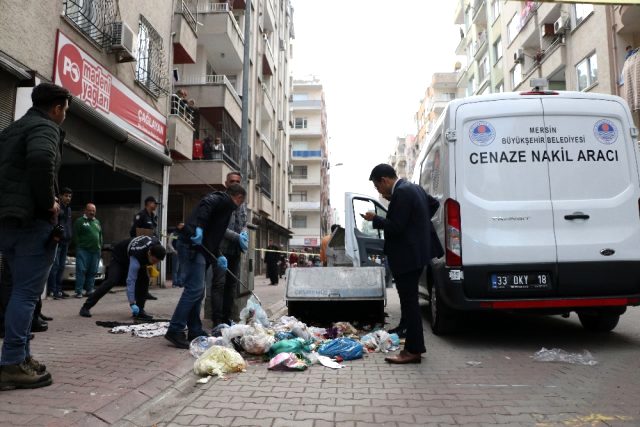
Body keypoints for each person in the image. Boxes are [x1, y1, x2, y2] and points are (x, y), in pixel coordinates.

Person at [0, 82, 71, 389]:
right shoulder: (46, 128)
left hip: (8, 223)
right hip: (31, 223)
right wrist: (49, 203)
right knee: (27, 295)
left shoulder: (11, 130)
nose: (64, 116)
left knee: (16, 291)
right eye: (65, 110)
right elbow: (42, 160)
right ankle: (13, 362)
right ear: (56, 108)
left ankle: (21, 356)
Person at [362, 163, 439, 364]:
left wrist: (375, 218)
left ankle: (412, 351)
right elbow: (433, 205)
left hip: (407, 257)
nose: (379, 191)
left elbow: (395, 227)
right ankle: (414, 346)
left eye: (378, 187)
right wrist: (418, 225)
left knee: (410, 304)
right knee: (410, 302)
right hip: (417, 254)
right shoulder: (414, 188)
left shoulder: (402, 193)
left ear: (385, 180)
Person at [165, 183, 246, 349]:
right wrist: (199, 229)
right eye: (241, 202)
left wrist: (219, 255)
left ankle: (194, 329)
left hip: (199, 249)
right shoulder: (222, 200)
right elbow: (205, 205)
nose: (239, 206)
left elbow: (213, 236)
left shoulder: (224, 208)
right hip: (191, 246)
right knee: (194, 289)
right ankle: (175, 329)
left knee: (198, 291)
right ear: (238, 198)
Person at [79, 236, 166, 319]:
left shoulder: (157, 244)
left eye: (158, 262)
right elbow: (130, 281)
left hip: (135, 254)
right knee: (112, 281)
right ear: (149, 253)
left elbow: (153, 257)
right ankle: (86, 307)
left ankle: (140, 311)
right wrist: (132, 303)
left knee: (144, 280)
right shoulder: (137, 255)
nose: (154, 263)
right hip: (119, 257)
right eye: (154, 261)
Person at [210, 172, 249, 326]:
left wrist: (244, 233)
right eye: (232, 181)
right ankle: (217, 320)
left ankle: (227, 317)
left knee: (231, 286)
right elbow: (221, 228)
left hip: (235, 250)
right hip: (220, 250)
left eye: (237, 181)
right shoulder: (220, 200)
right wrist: (237, 236)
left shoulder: (242, 202)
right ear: (226, 183)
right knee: (219, 284)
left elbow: (244, 222)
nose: (234, 183)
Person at [130, 196, 159, 300]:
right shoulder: (140, 215)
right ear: (149, 203)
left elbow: (153, 231)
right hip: (141, 247)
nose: (156, 205)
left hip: (150, 247)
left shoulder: (153, 216)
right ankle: (136, 293)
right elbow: (133, 231)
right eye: (155, 203)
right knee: (139, 272)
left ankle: (144, 292)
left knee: (146, 272)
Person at [47, 187, 73, 299]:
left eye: (70, 196)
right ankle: (52, 290)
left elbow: (68, 225)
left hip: (66, 241)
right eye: (66, 195)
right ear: (61, 196)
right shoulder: (57, 206)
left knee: (62, 266)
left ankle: (59, 290)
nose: (68, 198)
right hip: (57, 240)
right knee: (55, 266)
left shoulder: (69, 209)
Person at [72, 203, 102, 298]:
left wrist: (100, 246)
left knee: (92, 271)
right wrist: (79, 246)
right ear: (85, 211)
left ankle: (89, 290)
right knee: (81, 270)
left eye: (93, 211)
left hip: (95, 251)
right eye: (90, 210)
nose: (92, 212)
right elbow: (75, 235)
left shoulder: (97, 222)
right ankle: (79, 291)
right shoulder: (79, 221)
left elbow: (100, 235)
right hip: (83, 250)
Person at [169, 222, 185, 288]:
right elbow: (169, 243)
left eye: (183, 226)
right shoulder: (173, 233)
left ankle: (180, 282)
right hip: (176, 253)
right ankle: (174, 283)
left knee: (181, 269)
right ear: (178, 226)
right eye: (181, 225)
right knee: (175, 269)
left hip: (183, 254)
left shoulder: (184, 234)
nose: (182, 227)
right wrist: (174, 250)